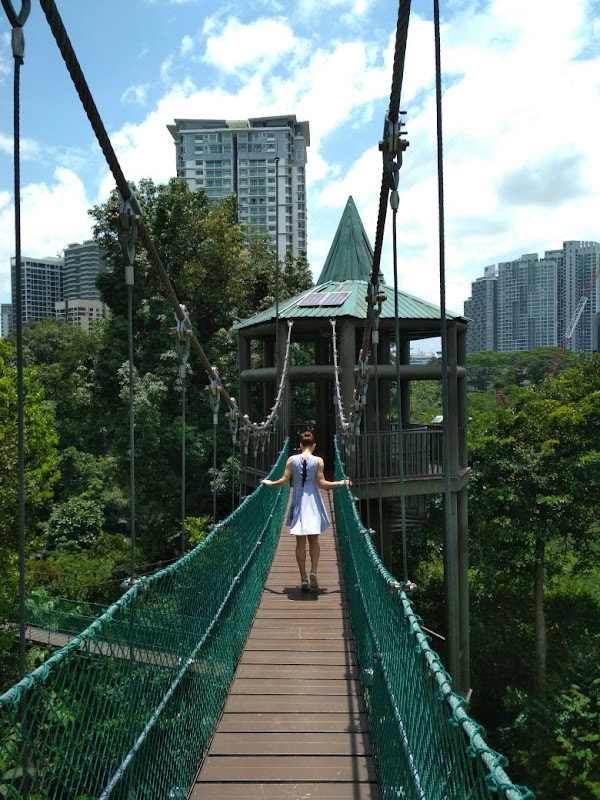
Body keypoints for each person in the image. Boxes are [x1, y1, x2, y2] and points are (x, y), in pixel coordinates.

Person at [261, 431, 351, 592]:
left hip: (298, 502)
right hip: (314, 503)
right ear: (314, 445)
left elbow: (283, 481)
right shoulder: (318, 461)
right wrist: (340, 482)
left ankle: (303, 578)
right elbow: (322, 483)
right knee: (314, 540)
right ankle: (314, 571)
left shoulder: (291, 460)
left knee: (300, 541)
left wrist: (269, 483)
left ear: (301, 445)